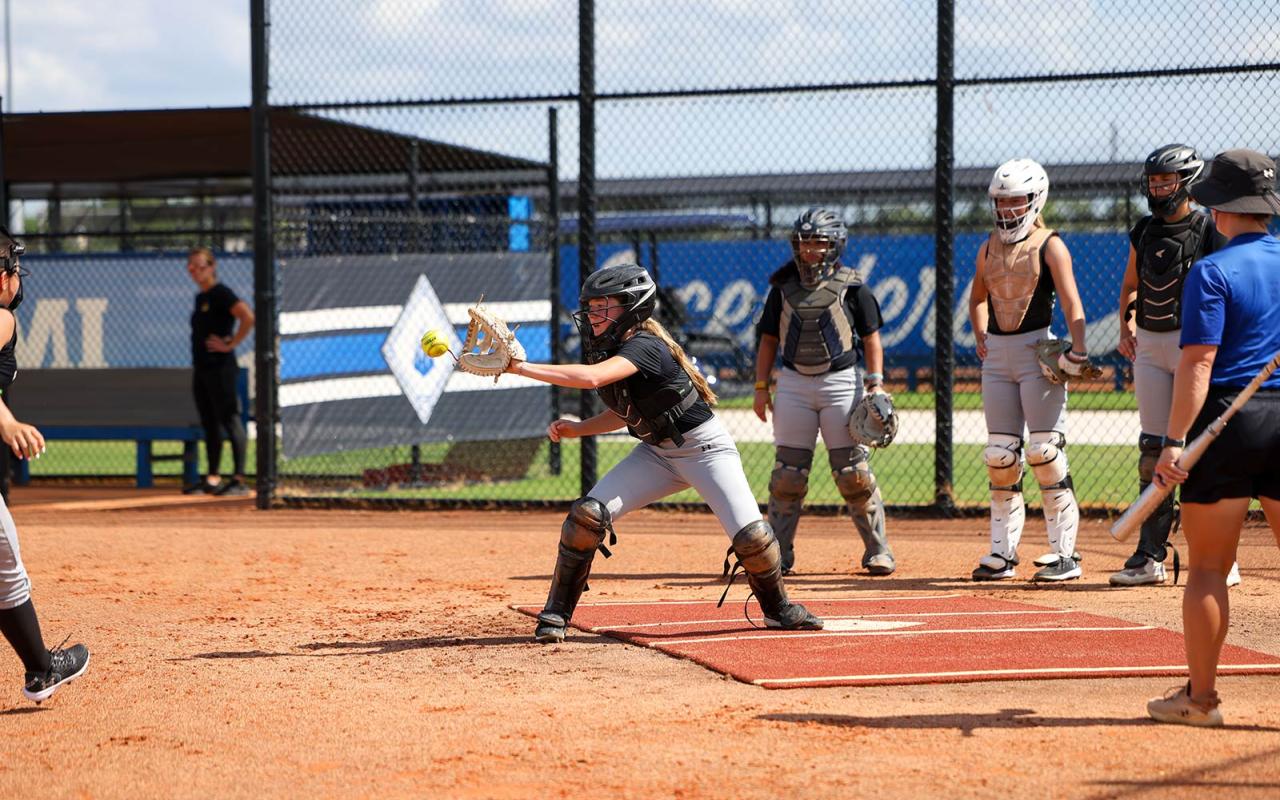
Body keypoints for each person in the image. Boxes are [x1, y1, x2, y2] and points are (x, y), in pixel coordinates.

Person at [513, 264, 823, 643]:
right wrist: (579, 428)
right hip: (656, 455)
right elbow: (626, 412)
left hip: (705, 450)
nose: (592, 315)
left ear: (632, 307)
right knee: (587, 516)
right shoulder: (609, 348)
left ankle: (779, 610)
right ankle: (556, 615)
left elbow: (591, 379)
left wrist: (520, 368)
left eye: (602, 306)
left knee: (753, 539)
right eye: (590, 307)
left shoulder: (644, 345)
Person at [1146, 149, 1280, 727]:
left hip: (1228, 419)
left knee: (1207, 567)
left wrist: (1173, 441)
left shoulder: (1212, 270)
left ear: (1219, 207)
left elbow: (1198, 364)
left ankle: (1201, 700)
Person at [1112, 144, 1239, 587]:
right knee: (1154, 451)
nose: (1158, 188)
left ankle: (1220, 554)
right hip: (1149, 345)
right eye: (1154, 181)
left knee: (1202, 448)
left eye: (1166, 181)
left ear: (1187, 182)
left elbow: (1227, 286)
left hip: (1195, 346)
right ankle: (1150, 556)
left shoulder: (1208, 228)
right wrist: (1126, 324)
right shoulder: (1144, 230)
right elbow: (1131, 285)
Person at [968, 158, 1098, 582]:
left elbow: (1073, 301)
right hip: (998, 358)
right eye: (1001, 201)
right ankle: (1001, 554)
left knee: (1045, 452)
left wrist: (1078, 350)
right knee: (1000, 456)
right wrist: (981, 333)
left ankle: (1065, 555)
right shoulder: (988, 247)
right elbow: (978, 298)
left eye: (1015, 200)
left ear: (1035, 199)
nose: (1007, 209)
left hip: (1037, 352)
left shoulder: (1050, 244)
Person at [752, 207, 894, 576]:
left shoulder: (853, 286)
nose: (810, 250)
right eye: (804, 243)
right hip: (793, 383)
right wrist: (761, 386)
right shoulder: (782, 289)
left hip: (840, 381)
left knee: (851, 472)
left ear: (836, 245)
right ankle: (779, 554)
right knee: (788, 475)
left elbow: (871, 338)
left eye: (819, 243)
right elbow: (768, 340)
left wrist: (875, 382)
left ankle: (878, 550)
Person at [0, 227, 91, 703]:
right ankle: (41, 669)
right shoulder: (2, 318)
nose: (18, 279)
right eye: (14, 269)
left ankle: (40, 666)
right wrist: (8, 422)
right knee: (5, 566)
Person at [186, 247, 254, 496]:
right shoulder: (201, 297)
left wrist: (231, 343)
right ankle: (212, 478)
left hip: (221, 368)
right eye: (191, 267)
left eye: (201, 266)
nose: (196, 271)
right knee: (209, 422)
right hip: (202, 368)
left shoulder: (221, 293)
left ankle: (239, 480)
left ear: (212, 267)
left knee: (229, 418)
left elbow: (247, 317)